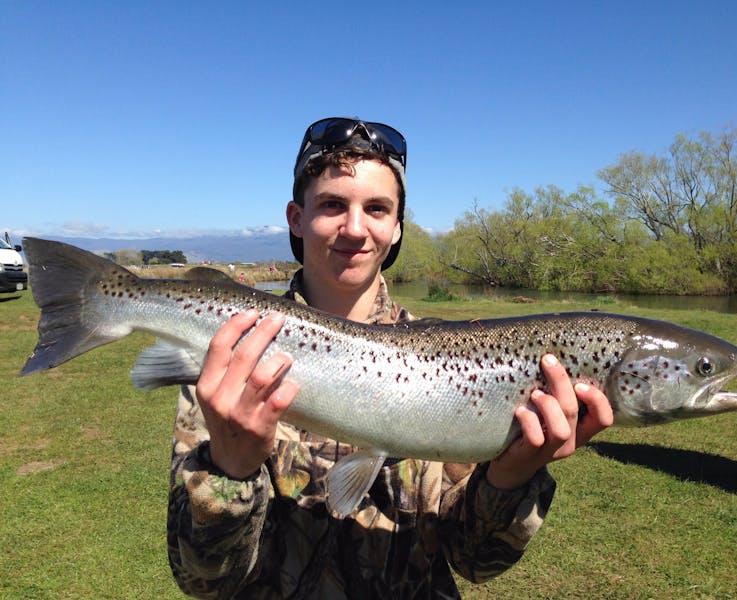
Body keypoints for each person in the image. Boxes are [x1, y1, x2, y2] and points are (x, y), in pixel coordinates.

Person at [167, 117, 614, 599]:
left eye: (377, 208)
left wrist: (512, 475)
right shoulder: (232, 359)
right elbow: (203, 581)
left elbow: (473, 562)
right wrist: (229, 471)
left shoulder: (450, 366)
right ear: (296, 218)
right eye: (333, 204)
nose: (355, 229)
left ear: (397, 227)